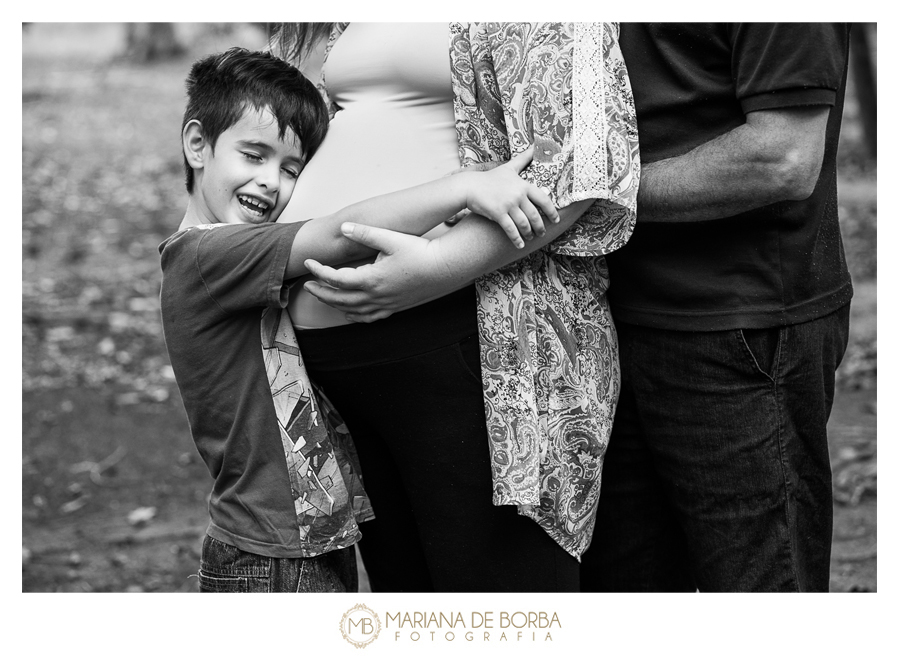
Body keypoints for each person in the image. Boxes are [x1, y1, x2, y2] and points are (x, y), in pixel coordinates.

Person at [159, 47, 563, 592]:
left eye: (290, 169)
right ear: (197, 145)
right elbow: (338, 231)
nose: (270, 184)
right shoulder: (207, 258)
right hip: (269, 552)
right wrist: (466, 187)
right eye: (253, 156)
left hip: (306, 537)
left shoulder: (234, 256)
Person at [273, 23, 639, 591]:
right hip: (342, 367)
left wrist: (430, 273)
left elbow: (573, 169)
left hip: (473, 344)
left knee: (497, 604)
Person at [576, 23, 853, 592]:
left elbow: (781, 157)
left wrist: (583, 200)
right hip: (596, 321)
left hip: (737, 330)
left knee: (758, 598)